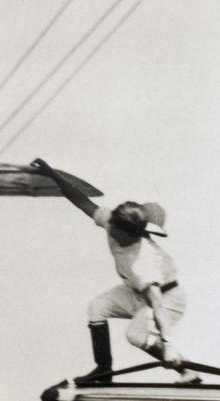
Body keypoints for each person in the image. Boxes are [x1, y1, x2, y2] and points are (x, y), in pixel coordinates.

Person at [32, 158, 200, 384]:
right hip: (135, 292)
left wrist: (167, 344)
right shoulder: (112, 222)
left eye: (121, 235)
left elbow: (157, 304)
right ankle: (104, 370)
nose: (114, 236)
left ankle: (185, 370)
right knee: (97, 307)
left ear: (135, 234)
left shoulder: (143, 262)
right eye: (113, 229)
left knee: (135, 336)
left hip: (168, 299)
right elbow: (82, 201)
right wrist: (52, 175)